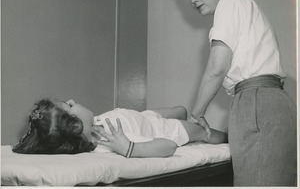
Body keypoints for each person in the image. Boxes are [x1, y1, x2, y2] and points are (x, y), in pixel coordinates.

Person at [176, 0, 296, 186]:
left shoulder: (229, 3)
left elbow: (217, 68)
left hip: (256, 100)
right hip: (275, 101)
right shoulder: (246, 6)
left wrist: (197, 114)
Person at [12, 98, 227, 158]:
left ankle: (182, 114)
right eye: (70, 106)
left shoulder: (92, 126)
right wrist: (129, 148)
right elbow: (169, 146)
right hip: (160, 128)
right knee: (202, 131)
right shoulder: (110, 141)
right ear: (77, 126)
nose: (72, 99)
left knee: (181, 108)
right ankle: (230, 138)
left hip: (143, 117)